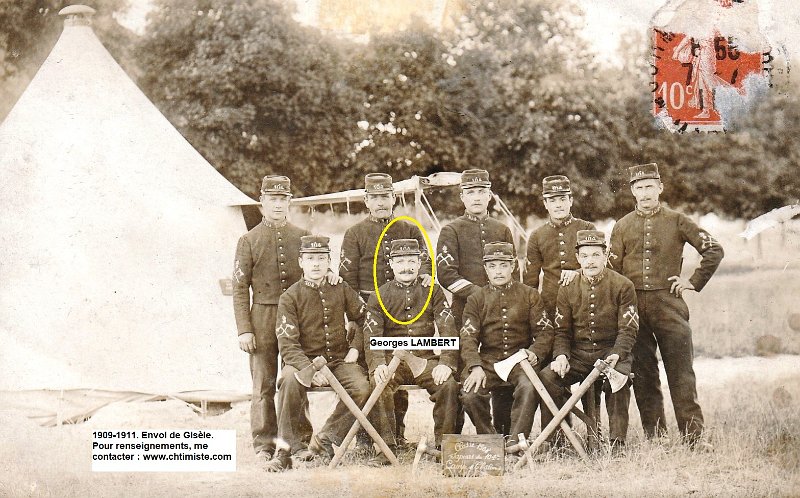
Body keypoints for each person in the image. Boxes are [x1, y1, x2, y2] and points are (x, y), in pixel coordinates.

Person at [610, 163, 723, 448]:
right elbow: (612, 270)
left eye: (650, 186)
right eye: (639, 187)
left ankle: (695, 438)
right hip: (634, 307)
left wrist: (693, 281)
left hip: (669, 304)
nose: (645, 192)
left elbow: (713, 249)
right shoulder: (622, 226)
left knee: (681, 371)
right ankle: (656, 437)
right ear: (633, 191)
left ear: (660, 188)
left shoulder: (678, 220)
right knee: (644, 374)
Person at [340, 173, 432, 446]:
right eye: (375, 198)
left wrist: (426, 275)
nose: (381, 202)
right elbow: (347, 281)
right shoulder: (354, 233)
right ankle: (371, 440)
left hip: (406, 311)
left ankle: (397, 436)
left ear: (394, 198)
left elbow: (425, 263)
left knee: (401, 370)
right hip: (366, 313)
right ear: (366, 200)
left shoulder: (409, 229)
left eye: (385, 197)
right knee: (373, 375)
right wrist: (364, 313)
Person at [266, 235, 371, 471]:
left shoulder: (340, 287)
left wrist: (355, 348)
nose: (316, 264)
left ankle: (325, 439)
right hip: (303, 362)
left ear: (328, 261)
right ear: (301, 262)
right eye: (310, 258)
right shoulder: (290, 297)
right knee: (289, 382)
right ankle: (285, 452)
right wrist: (309, 370)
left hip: (339, 360)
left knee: (363, 388)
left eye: (321, 258)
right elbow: (288, 344)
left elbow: (366, 319)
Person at [232, 175, 313, 462]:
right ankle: (264, 444)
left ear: (289, 202)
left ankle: (299, 442)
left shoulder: (303, 236)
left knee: (297, 377)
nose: (278, 205)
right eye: (272, 199)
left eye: (283, 199)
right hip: (262, 317)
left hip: (297, 317)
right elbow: (240, 288)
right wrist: (244, 329)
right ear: (262, 202)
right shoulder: (248, 240)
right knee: (263, 382)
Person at [539, 230, 638, 451]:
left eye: (595, 255)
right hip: (579, 355)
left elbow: (628, 329)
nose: (590, 261)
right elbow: (562, 330)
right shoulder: (567, 288)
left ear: (606, 255)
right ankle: (556, 442)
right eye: (584, 256)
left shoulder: (623, 285)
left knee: (619, 378)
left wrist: (617, 354)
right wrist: (561, 355)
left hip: (611, 351)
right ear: (578, 258)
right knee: (548, 377)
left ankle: (617, 443)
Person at [364, 239, 461, 465]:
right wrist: (378, 363)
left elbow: (448, 328)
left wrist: (446, 361)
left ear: (419, 263)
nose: (406, 266)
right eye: (400, 261)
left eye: (411, 261)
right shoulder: (379, 295)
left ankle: (445, 449)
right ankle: (386, 450)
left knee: (448, 384)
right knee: (378, 384)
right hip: (391, 361)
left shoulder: (433, 291)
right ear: (391, 264)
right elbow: (372, 336)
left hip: (424, 360)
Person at [436, 169, 516, 435]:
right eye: (471, 193)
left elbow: (513, 270)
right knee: (463, 371)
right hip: (464, 311)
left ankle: (502, 433)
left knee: (501, 362)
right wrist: (479, 295)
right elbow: (445, 274)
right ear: (462, 197)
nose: (477, 197)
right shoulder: (451, 230)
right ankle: (453, 436)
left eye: (482, 192)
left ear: (490, 195)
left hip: (503, 310)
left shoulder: (501, 229)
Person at [459, 242, 554, 450]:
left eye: (503, 265)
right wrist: (475, 366)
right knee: (470, 393)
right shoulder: (476, 298)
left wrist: (534, 352)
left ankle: (515, 443)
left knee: (529, 387)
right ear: (485, 268)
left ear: (513, 266)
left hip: (520, 360)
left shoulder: (530, 295)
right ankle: (491, 442)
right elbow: (468, 337)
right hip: (488, 361)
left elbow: (545, 331)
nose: (498, 271)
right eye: (492, 266)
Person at [524, 175, 595, 315]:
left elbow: (599, 266)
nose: (558, 205)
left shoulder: (587, 228)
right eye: (552, 200)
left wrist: (577, 273)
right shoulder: (537, 235)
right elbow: (530, 283)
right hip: (551, 305)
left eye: (562, 199)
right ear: (545, 204)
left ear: (571, 201)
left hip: (584, 302)